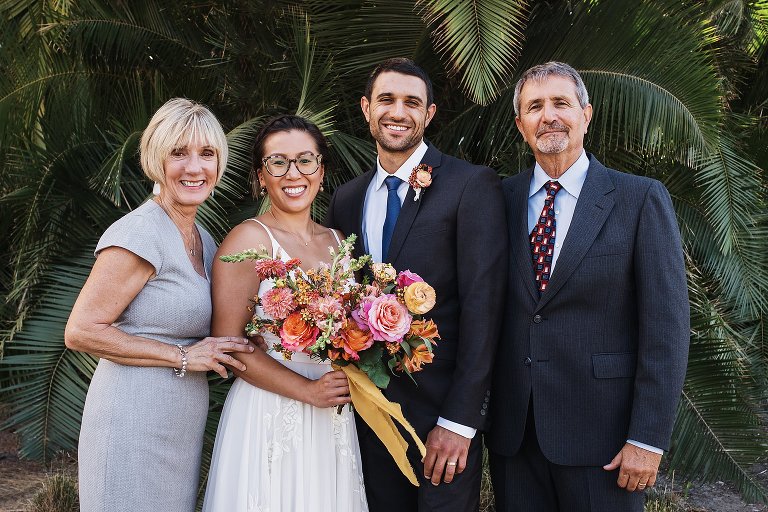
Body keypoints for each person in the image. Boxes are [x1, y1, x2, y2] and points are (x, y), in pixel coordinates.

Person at [486, 61, 690, 512]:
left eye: (561, 102)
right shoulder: (497, 199)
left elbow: (667, 330)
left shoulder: (639, 199)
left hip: (605, 441)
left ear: (586, 114)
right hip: (515, 437)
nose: (549, 116)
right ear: (521, 125)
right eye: (534, 107)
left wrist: (647, 439)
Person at [326, 58, 507, 512]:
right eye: (386, 99)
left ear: (429, 115)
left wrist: (461, 422)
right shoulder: (346, 198)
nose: (398, 112)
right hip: (363, 413)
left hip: (438, 423)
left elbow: (484, 311)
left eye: (412, 102)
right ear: (366, 108)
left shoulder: (470, 185)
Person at [64, 98, 254, 511]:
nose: (194, 167)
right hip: (130, 422)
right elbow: (81, 330)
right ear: (156, 159)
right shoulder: (140, 233)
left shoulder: (202, 240)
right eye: (178, 153)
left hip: (177, 428)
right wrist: (182, 355)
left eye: (207, 154)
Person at [202, 114, 367, 512]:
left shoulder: (338, 241)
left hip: (333, 414)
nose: (294, 173)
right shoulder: (248, 240)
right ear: (261, 176)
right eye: (278, 162)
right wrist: (308, 391)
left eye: (305, 160)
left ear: (321, 170)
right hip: (271, 411)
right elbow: (232, 346)